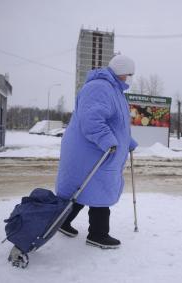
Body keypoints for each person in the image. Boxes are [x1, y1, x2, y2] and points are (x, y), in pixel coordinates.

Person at [55, 54, 138, 249]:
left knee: (84, 188)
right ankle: (98, 235)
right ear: (121, 72)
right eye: (128, 74)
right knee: (96, 189)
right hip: (92, 150)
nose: (129, 78)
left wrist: (127, 142)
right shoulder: (100, 87)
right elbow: (92, 120)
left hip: (96, 150)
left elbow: (116, 123)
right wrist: (108, 141)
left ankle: (62, 221)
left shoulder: (113, 89)